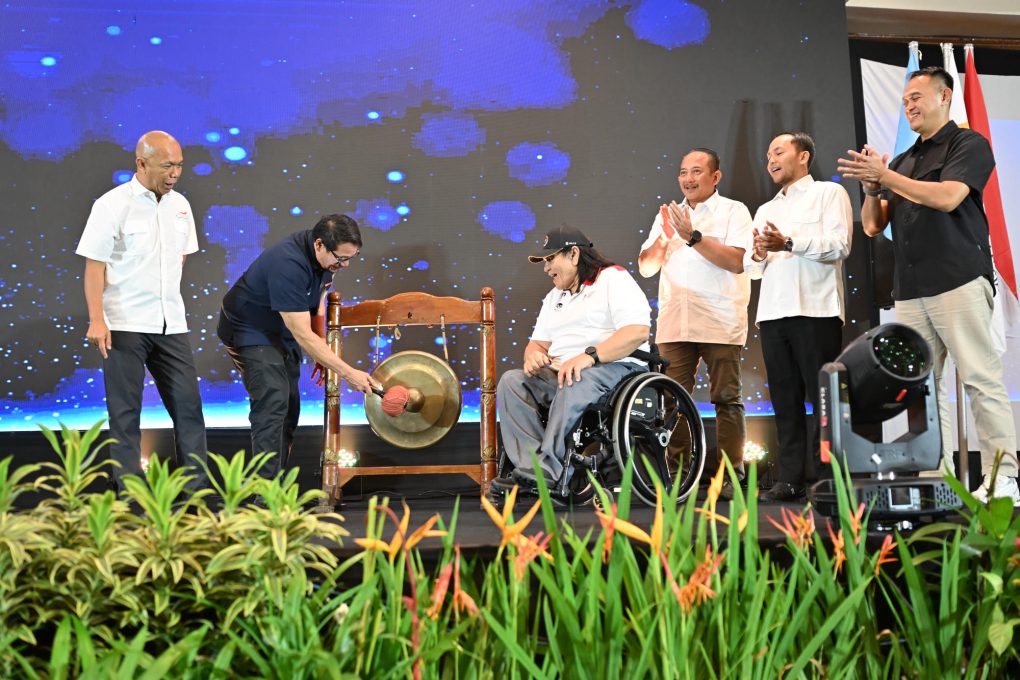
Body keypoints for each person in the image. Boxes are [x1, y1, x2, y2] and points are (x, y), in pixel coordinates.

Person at [838, 65, 1019, 505]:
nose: (910, 106)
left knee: (979, 378)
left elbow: (948, 197)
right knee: (923, 386)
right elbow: (872, 226)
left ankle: (1004, 479)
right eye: (904, 101)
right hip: (912, 289)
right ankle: (939, 478)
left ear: (945, 97)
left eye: (917, 97)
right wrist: (870, 186)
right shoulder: (903, 159)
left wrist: (887, 178)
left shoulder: (968, 143)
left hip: (957, 279)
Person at [76, 130, 209, 493]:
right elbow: (94, 267)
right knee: (125, 414)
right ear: (141, 163)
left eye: (179, 165)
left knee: (188, 408)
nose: (175, 173)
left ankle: (195, 492)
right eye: (167, 165)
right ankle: (129, 494)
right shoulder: (111, 205)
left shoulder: (181, 205)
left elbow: (180, 257)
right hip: (124, 322)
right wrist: (97, 319)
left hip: (171, 323)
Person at [217, 214, 379, 481]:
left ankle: (275, 484)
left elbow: (317, 305)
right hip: (249, 328)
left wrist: (322, 355)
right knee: (273, 400)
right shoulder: (288, 265)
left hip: (283, 328)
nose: (346, 264)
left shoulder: (328, 259)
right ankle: (263, 495)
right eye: (341, 258)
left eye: (352, 257)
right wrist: (349, 373)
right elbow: (302, 334)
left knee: (290, 406)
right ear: (319, 245)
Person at [495, 225, 652, 494]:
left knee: (574, 377)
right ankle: (533, 468)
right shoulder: (554, 297)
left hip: (614, 367)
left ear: (574, 254)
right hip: (566, 370)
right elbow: (538, 343)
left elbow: (637, 332)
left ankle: (551, 468)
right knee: (512, 381)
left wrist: (589, 356)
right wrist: (533, 356)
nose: (546, 268)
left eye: (550, 259)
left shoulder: (613, 279)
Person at [638, 148, 752, 498]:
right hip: (676, 322)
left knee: (726, 399)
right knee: (672, 401)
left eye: (697, 171)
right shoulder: (668, 215)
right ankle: (679, 476)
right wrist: (663, 238)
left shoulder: (734, 211)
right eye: (683, 172)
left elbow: (735, 261)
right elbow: (645, 266)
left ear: (715, 177)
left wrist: (692, 236)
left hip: (719, 319)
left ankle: (731, 476)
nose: (688, 179)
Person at [747, 132, 853, 501]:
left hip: (816, 310)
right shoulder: (765, 210)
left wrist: (789, 243)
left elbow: (840, 245)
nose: (771, 159)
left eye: (779, 151)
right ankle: (790, 477)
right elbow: (752, 268)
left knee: (824, 397)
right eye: (768, 154)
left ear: (803, 155)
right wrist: (759, 253)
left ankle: (827, 477)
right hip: (774, 313)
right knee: (784, 398)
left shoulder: (829, 194)